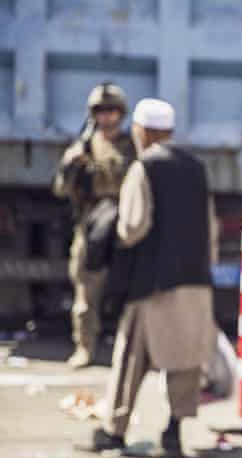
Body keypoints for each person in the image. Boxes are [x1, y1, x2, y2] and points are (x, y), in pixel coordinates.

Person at [85, 98, 216, 456]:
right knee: (185, 360)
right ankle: (174, 431)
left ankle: (114, 429)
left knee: (131, 356)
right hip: (195, 281)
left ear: (143, 131)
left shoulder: (145, 167)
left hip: (154, 284)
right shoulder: (197, 168)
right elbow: (210, 228)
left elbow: (133, 227)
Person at [52, 83, 137, 369]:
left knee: (130, 290)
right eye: (101, 110)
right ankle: (85, 347)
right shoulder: (83, 146)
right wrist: (70, 165)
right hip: (92, 224)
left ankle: (130, 351)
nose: (107, 116)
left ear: (121, 113)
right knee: (86, 289)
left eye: (112, 110)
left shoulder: (132, 146)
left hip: (125, 222)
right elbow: (61, 189)